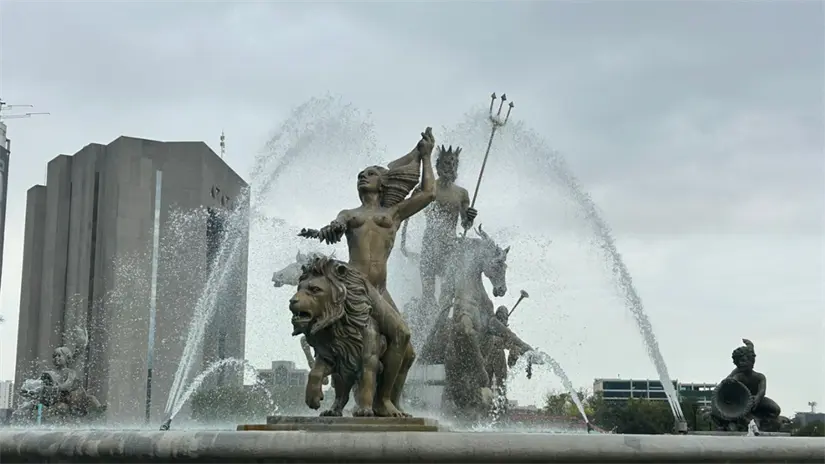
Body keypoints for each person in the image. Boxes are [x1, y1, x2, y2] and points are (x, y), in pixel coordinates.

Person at [400, 145, 477, 312]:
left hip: (450, 244)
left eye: (454, 164)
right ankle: (425, 310)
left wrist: (469, 216)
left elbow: (465, 224)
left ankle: (445, 316)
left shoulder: (462, 193)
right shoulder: (428, 187)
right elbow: (408, 209)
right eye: (447, 163)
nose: (451, 167)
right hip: (430, 243)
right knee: (428, 293)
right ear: (438, 165)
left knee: (448, 291)